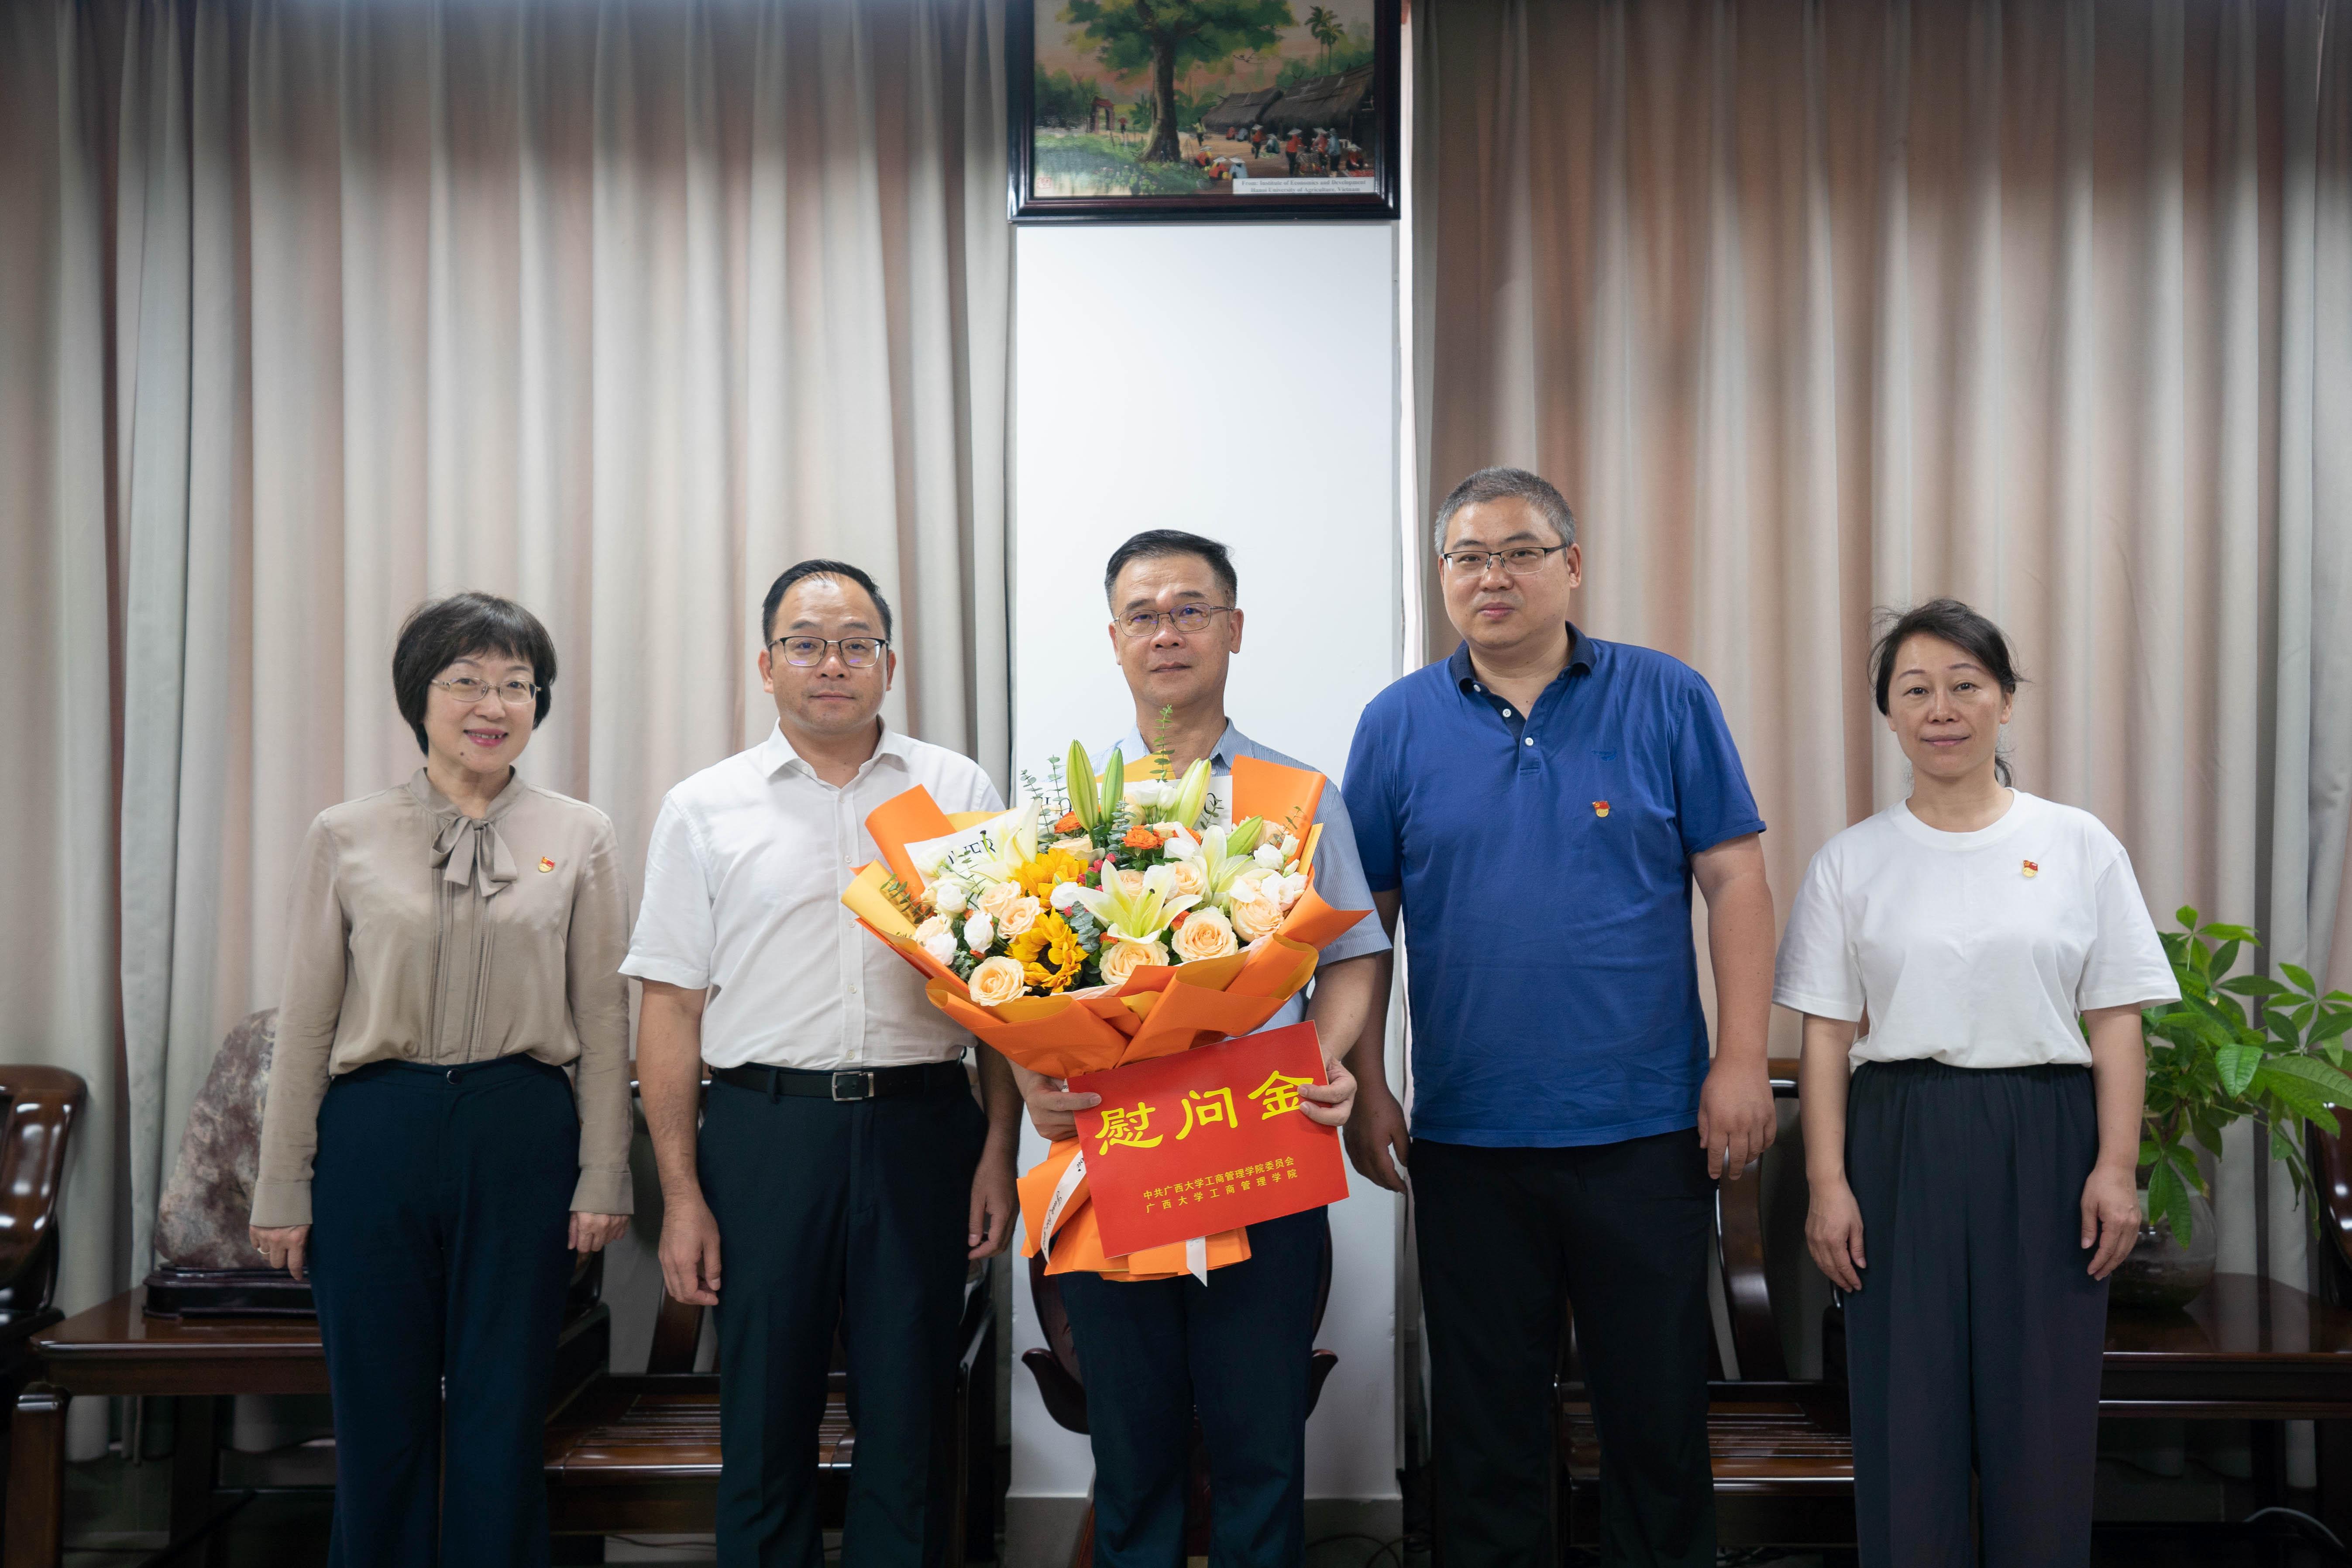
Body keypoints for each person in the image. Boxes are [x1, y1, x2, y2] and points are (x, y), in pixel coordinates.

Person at [1341, 467, 1778, 1567]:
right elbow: (1362, 926)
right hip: (1467, 1133)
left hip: (1645, 1128)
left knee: (1655, 1419)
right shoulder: (1396, 723)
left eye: (1519, 552)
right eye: (1467, 556)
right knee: (1484, 1430)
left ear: (1571, 565)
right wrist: (1373, 1081)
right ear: (1444, 575)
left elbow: (1736, 881)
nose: (1491, 576)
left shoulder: (1667, 695)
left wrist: (1738, 1059)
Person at [626, 558, 1021, 1568]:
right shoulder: (705, 806)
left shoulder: (956, 791)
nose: (832, 663)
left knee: (912, 1412)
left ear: (890, 663)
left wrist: (996, 1151)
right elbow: (670, 1008)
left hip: (923, 1126)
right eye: (806, 643)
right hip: (765, 1133)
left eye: (855, 644)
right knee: (764, 1413)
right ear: (768, 665)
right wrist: (682, 1193)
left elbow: (1005, 988)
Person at [1014, 529, 1389, 1568]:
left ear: (1234, 628)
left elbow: (1355, 952)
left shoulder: (1294, 793)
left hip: (1258, 1142)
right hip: (1115, 1154)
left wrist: (1326, 1058)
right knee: (1132, 1445)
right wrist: (1032, 1074)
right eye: (1143, 615)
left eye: (1190, 610)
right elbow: (1012, 965)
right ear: (1114, 640)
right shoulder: (1066, 806)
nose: (1166, 633)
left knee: (1259, 1441)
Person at [1774, 599, 2172, 1567]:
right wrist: (1827, 1184)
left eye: (1964, 685)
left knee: (2043, 1413)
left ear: (2005, 699)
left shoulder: (2078, 844)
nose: (1941, 708)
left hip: (2047, 1134)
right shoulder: (1850, 862)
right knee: (1907, 1412)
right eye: (1916, 690)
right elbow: (1825, 1035)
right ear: (1889, 713)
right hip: (1898, 1136)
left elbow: (2117, 1017)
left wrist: (2117, 1166)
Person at [248, 592, 633, 1568]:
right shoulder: (346, 833)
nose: (491, 705)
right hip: (376, 1129)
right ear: (418, 697)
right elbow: (308, 1021)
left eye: (516, 685)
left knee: (504, 1408)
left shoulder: (580, 833)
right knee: (378, 1411)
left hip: (521, 1129)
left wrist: (604, 1173)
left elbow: (603, 1018)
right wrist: (283, 1183)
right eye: (466, 681)